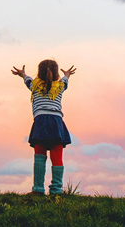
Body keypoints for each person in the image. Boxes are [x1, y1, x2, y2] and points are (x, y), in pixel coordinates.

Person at [11, 59, 76, 195]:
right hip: (56, 124)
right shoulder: (59, 87)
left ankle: (38, 189)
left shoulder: (34, 86)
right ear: (56, 74)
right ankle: (57, 189)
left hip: (40, 123)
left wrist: (22, 74)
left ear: (39, 73)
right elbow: (65, 81)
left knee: (39, 156)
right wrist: (67, 74)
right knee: (56, 156)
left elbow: (27, 80)